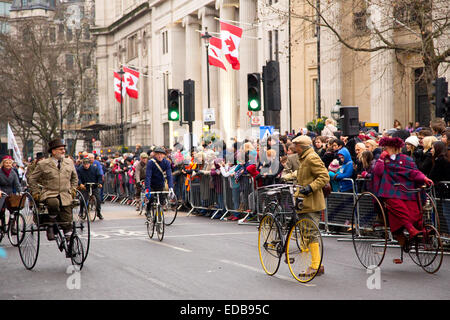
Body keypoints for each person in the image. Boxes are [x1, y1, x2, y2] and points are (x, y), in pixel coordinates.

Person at [372, 136, 433, 247]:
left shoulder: (406, 159)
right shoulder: (383, 160)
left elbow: (414, 172)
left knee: (415, 210)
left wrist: (424, 178)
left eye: (389, 147)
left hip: (407, 191)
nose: (386, 149)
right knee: (399, 208)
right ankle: (411, 230)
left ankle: (420, 230)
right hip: (389, 191)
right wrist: (381, 159)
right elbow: (378, 172)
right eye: (386, 147)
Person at [28, 139, 78, 250]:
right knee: (54, 202)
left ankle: (68, 239)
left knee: (67, 217)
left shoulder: (69, 162)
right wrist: (36, 192)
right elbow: (32, 179)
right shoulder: (43, 164)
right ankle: (50, 224)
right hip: (50, 193)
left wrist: (73, 189)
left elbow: (75, 178)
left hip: (65, 193)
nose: (63, 151)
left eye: (64, 149)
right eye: (61, 149)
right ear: (53, 151)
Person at [292, 135, 329, 276]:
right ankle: (316, 263)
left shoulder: (311, 157)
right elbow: (304, 174)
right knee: (306, 233)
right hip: (304, 201)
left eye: (296, 146)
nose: (295, 149)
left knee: (311, 233)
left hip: (311, 201)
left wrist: (310, 187)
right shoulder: (304, 158)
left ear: (302, 147)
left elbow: (324, 176)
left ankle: (315, 266)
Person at [144, 146, 174, 214]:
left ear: (164, 155)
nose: (160, 156)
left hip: (160, 184)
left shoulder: (166, 163)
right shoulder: (150, 162)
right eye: (158, 154)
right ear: (155, 155)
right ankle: (148, 210)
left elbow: (169, 176)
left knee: (161, 201)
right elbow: (148, 176)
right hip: (151, 184)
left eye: (161, 154)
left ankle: (159, 216)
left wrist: (171, 188)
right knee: (150, 199)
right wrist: (147, 189)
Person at [0, 155, 22, 235]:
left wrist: (20, 192)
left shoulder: (13, 172)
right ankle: (2, 225)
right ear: (3, 163)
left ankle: (12, 227)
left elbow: (17, 183)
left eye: (10, 163)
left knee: (14, 209)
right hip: (1, 192)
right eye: (6, 162)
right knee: (1, 209)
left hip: (10, 192)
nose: (8, 164)